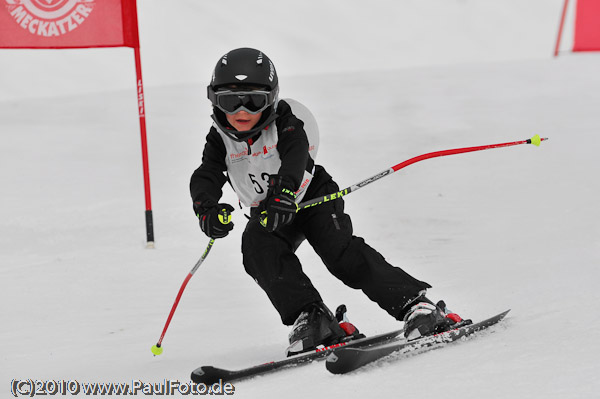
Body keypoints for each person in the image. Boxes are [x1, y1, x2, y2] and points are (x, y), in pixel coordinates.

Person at [190, 47, 467, 355]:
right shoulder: (219, 138)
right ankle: (311, 316)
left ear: (272, 98)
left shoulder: (286, 120)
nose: (241, 111)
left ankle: (416, 306)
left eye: (254, 100)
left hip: (312, 197)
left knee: (341, 254)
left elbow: (296, 152)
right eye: (229, 101)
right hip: (269, 211)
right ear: (214, 100)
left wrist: (284, 191)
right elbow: (207, 174)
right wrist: (207, 208)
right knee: (257, 248)